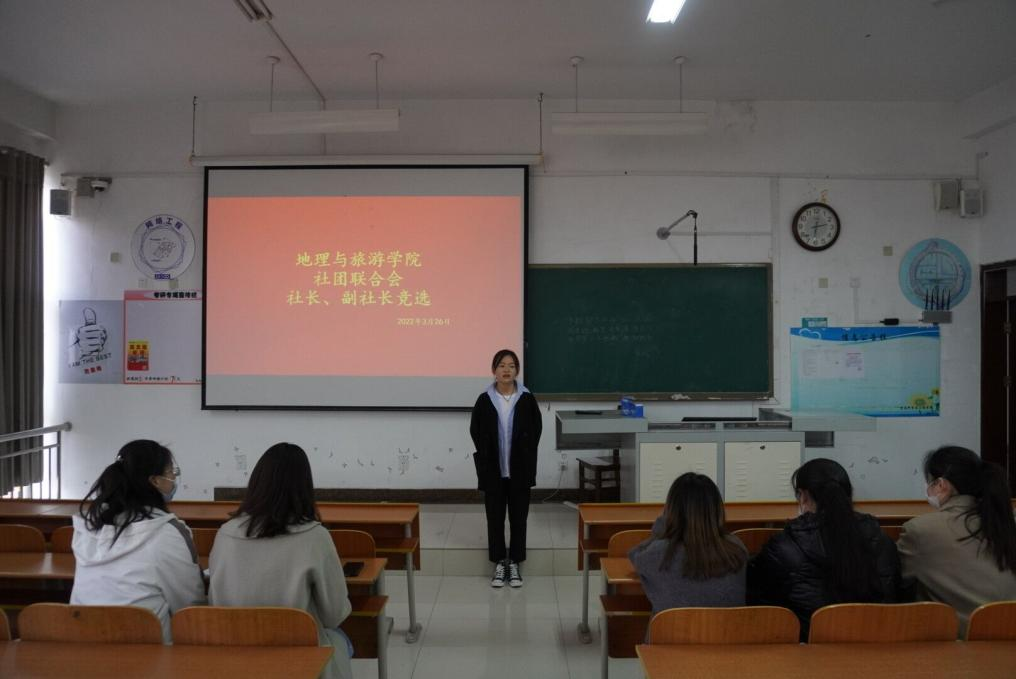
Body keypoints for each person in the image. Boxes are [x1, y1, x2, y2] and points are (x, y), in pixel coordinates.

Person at [209, 443, 352, 679]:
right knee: (341, 639)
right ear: (305, 487)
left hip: (235, 657)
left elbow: (215, 603)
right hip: (299, 659)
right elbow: (334, 615)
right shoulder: (316, 537)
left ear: (256, 483)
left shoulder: (225, 534)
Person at [747, 458, 900, 640]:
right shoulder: (882, 540)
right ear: (848, 495)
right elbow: (894, 595)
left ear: (803, 496)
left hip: (808, 648)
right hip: (876, 645)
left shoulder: (785, 547)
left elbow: (760, 604)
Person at [71, 439, 205, 643]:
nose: (173, 478)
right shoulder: (167, 532)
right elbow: (189, 606)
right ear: (155, 481)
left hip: (81, 642)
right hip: (147, 649)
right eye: (171, 472)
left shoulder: (89, 527)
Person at [897, 446, 1016, 636]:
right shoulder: (1005, 522)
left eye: (929, 482)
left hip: (960, 641)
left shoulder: (920, 530)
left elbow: (897, 582)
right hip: (1009, 637)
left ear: (941, 485)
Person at [470, 349, 542, 588]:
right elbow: (475, 430)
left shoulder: (527, 398)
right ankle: (500, 562)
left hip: (520, 470)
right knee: (495, 518)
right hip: (493, 470)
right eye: (501, 365)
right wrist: (487, 453)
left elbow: (536, 429)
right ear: (494, 370)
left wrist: (525, 453)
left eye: (511, 365)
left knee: (519, 519)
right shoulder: (484, 399)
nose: (506, 370)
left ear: (517, 370)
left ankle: (516, 562)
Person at [629, 473, 747, 619]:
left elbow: (635, 554)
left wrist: (664, 525)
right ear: (716, 510)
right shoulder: (737, 548)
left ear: (671, 510)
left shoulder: (658, 554)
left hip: (673, 634)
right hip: (729, 632)